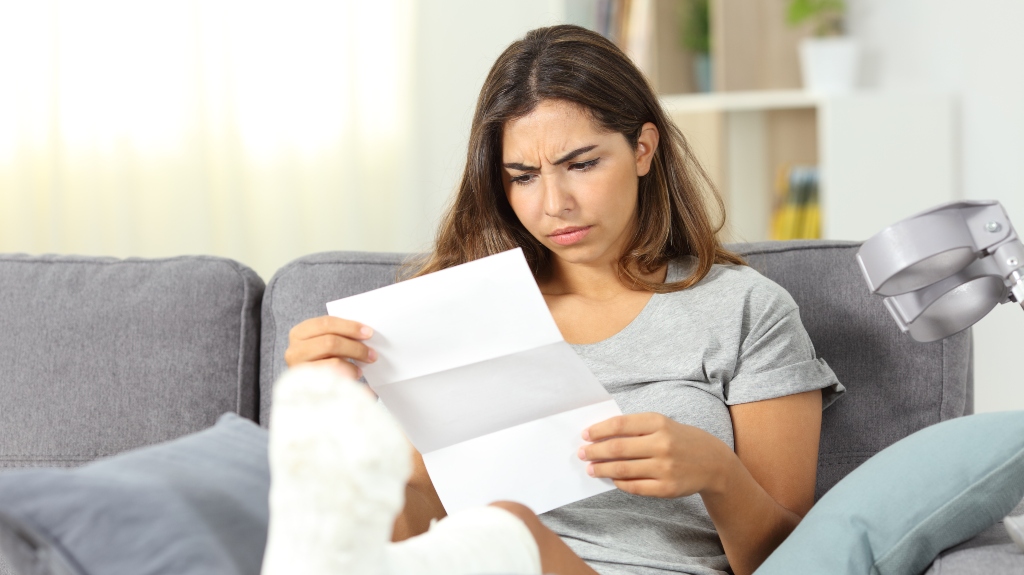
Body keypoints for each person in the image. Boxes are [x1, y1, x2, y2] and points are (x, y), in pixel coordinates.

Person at [275, 24, 843, 575]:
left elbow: (795, 562)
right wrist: (330, 417)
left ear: (643, 148)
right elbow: (407, 525)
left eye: (582, 164)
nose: (554, 204)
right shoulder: (455, 311)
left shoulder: (745, 310)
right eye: (523, 176)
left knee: (507, 529)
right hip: (469, 562)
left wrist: (719, 474)